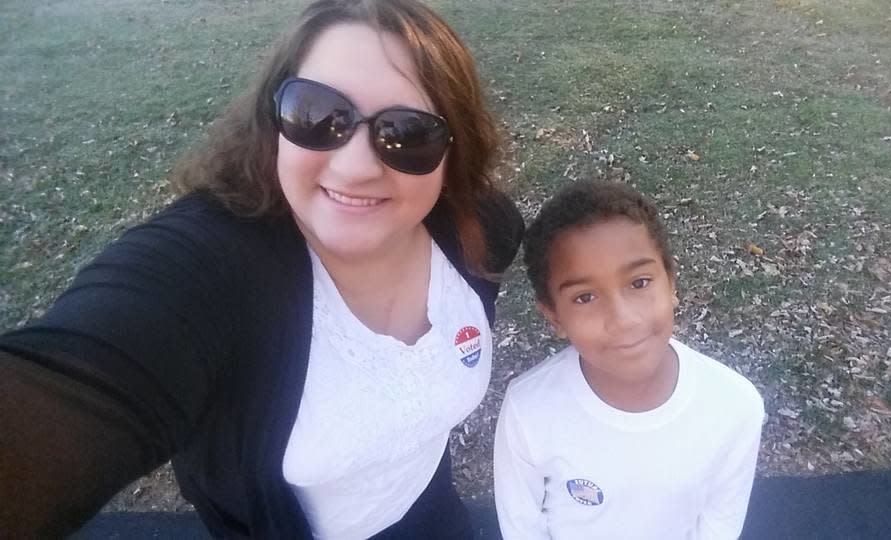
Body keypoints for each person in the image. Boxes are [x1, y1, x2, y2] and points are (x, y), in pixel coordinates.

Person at [0, 1, 523, 538]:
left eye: (408, 133)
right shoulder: (208, 270)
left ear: (453, 152)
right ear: (272, 119)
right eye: (318, 115)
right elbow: (72, 384)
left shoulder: (482, 231)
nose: (355, 167)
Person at [493, 180, 764, 539]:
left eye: (639, 283)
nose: (623, 319)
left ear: (671, 283)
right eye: (585, 297)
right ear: (554, 317)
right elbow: (521, 525)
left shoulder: (734, 405)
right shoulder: (528, 409)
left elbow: (720, 523)